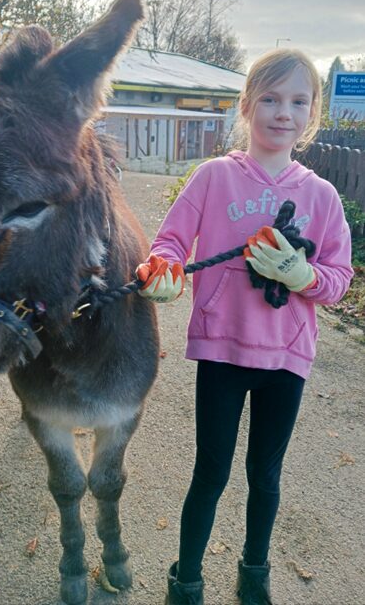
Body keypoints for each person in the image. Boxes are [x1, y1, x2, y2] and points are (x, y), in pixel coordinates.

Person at [135, 49, 354, 605]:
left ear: (313, 114)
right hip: (223, 353)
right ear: (247, 106)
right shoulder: (214, 178)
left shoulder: (322, 198)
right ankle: (186, 578)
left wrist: (305, 275)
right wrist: (161, 269)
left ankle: (254, 573)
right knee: (210, 472)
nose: (284, 112)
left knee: (265, 475)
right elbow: (170, 242)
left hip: (286, 360)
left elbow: (338, 279)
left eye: (298, 101)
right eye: (271, 99)